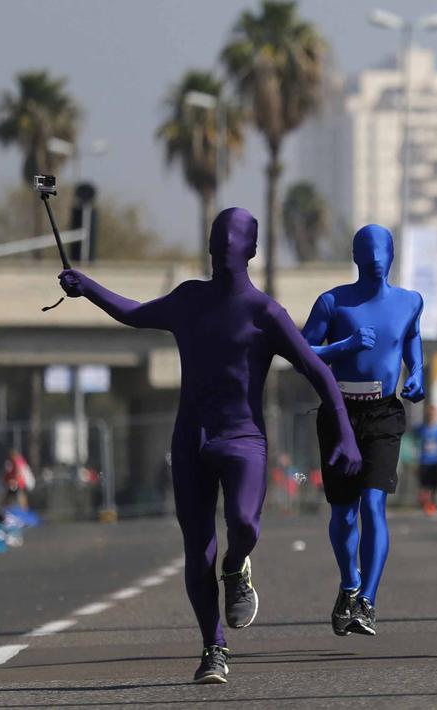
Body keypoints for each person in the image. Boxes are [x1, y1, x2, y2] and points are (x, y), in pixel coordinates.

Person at [59, 208, 361, 683]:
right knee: (196, 549)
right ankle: (213, 647)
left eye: (235, 237)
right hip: (190, 440)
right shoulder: (189, 299)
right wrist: (88, 287)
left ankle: (237, 566)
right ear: (209, 246)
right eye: (218, 236)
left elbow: (317, 371)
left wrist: (344, 430)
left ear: (253, 249)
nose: (224, 244)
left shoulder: (266, 313)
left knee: (244, 524)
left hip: (243, 440)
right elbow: (135, 313)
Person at [302, 224, 425, 637]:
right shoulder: (332, 303)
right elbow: (301, 352)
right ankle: (349, 583)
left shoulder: (410, 301)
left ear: (392, 254)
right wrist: (342, 347)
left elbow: (411, 339)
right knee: (343, 512)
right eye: (365, 249)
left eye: (381, 249)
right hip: (339, 413)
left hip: (384, 412)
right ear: (354, 255)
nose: (373, 256)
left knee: (374, 505)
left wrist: (418, 372)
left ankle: (367, 602)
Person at [416, 404, 437, 516]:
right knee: (425, 484)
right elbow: (416, 442)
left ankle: (431, 502)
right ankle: (427, 504)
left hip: (436, 461)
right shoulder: (422, 429)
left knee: (435, 484)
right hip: (425, 461)